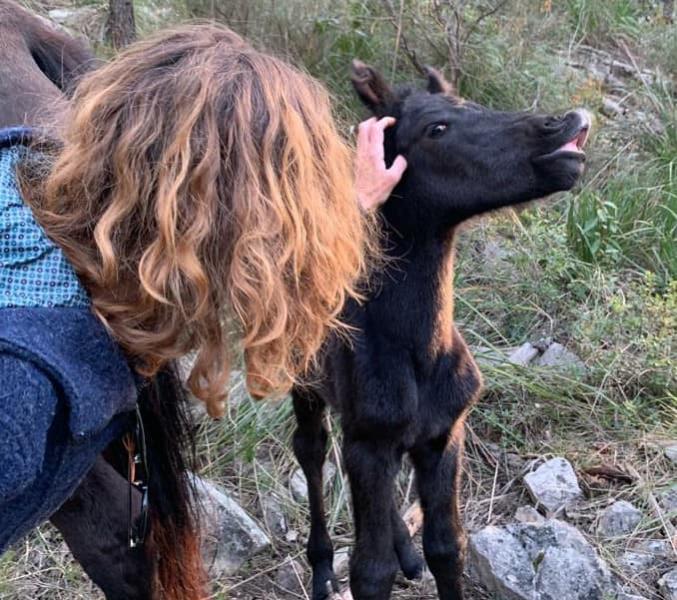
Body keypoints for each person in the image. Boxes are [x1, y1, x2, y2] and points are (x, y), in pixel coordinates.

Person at [0, 22, 406, 600]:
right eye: (290, 229)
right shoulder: (23, 397)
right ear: (236, 241)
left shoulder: (29, 177)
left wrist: (345, 203)